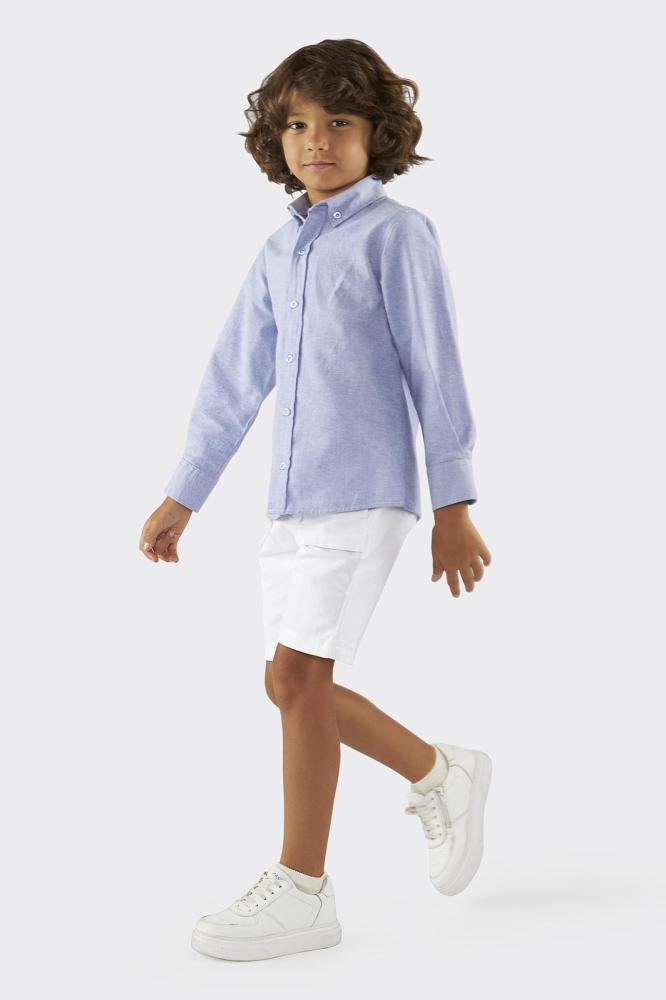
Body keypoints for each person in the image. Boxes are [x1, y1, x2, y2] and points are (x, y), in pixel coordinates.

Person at [139, 38, 493, 963]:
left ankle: (303, 889)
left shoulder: (397, 235)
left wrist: (453, 501)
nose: (316, 141)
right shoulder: (278, 251)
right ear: (276, 138)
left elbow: (435, 365)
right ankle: (439, 771)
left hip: (366, 491)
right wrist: (185, 493)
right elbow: (234, 378)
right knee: (289, 684)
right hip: (291, 503)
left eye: (338, 120)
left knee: (298, 681)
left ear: (379, 131)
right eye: (297, 124)